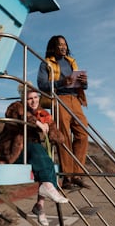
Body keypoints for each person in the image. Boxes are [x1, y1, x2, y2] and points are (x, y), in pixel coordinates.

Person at [0, 83, 68, 226]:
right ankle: (48, 188)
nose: (33, 101)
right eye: (29, 98)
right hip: (9, 151)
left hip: (29, 151)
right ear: (23, 99)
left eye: (35, 97)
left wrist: (53, 132)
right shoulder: (16, 106)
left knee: (47, 160)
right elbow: (21, 115)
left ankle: (40, 206)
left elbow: (54, 131)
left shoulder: (41, 112)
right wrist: (38, 123)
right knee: (37, 150)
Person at [37, 35, 90, 189]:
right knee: (64, 137)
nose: (63, 47)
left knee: (83, 134)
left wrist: (84, 83)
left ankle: (77, 175)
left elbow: (81, 85)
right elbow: (42, 84)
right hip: (59, 99)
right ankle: (67, 178)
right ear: (53, 47)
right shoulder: (46, 63)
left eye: (65, 44)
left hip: (76, 100)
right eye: (60, 44)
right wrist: (61, 82)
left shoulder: (71, 62)